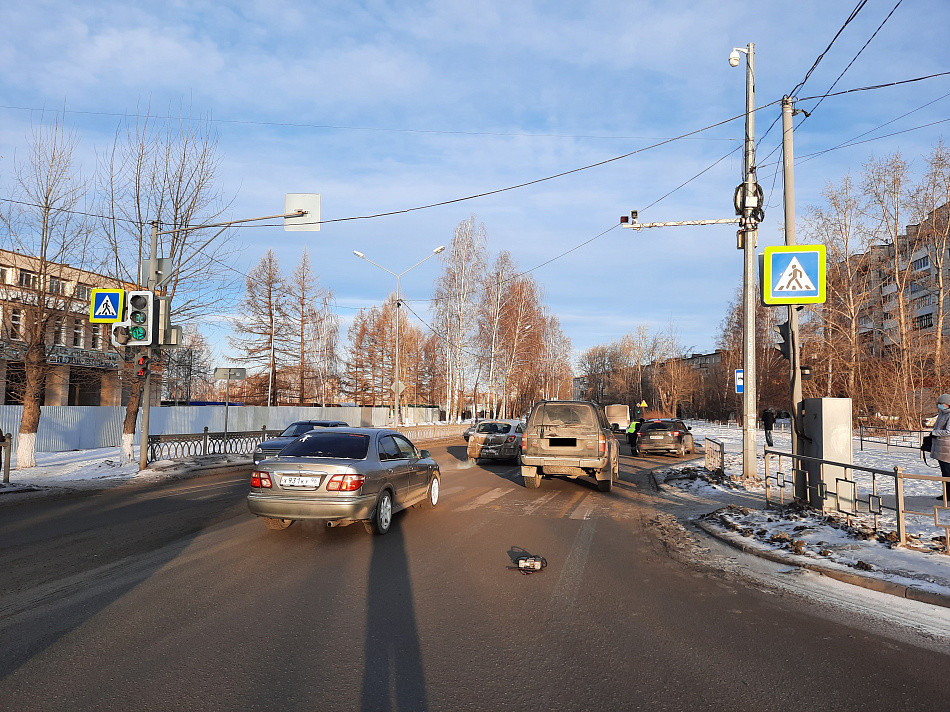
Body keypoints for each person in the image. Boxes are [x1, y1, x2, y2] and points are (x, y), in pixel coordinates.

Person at [932, 394, 950, 500]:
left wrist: (935, 433)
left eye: (941, 404)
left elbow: (948, 431)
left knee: (948, 472)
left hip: (947, 448)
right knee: (944, 472)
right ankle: (946, 493)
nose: (940, 406)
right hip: (941, 448)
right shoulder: (942, 414)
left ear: (947, 404)